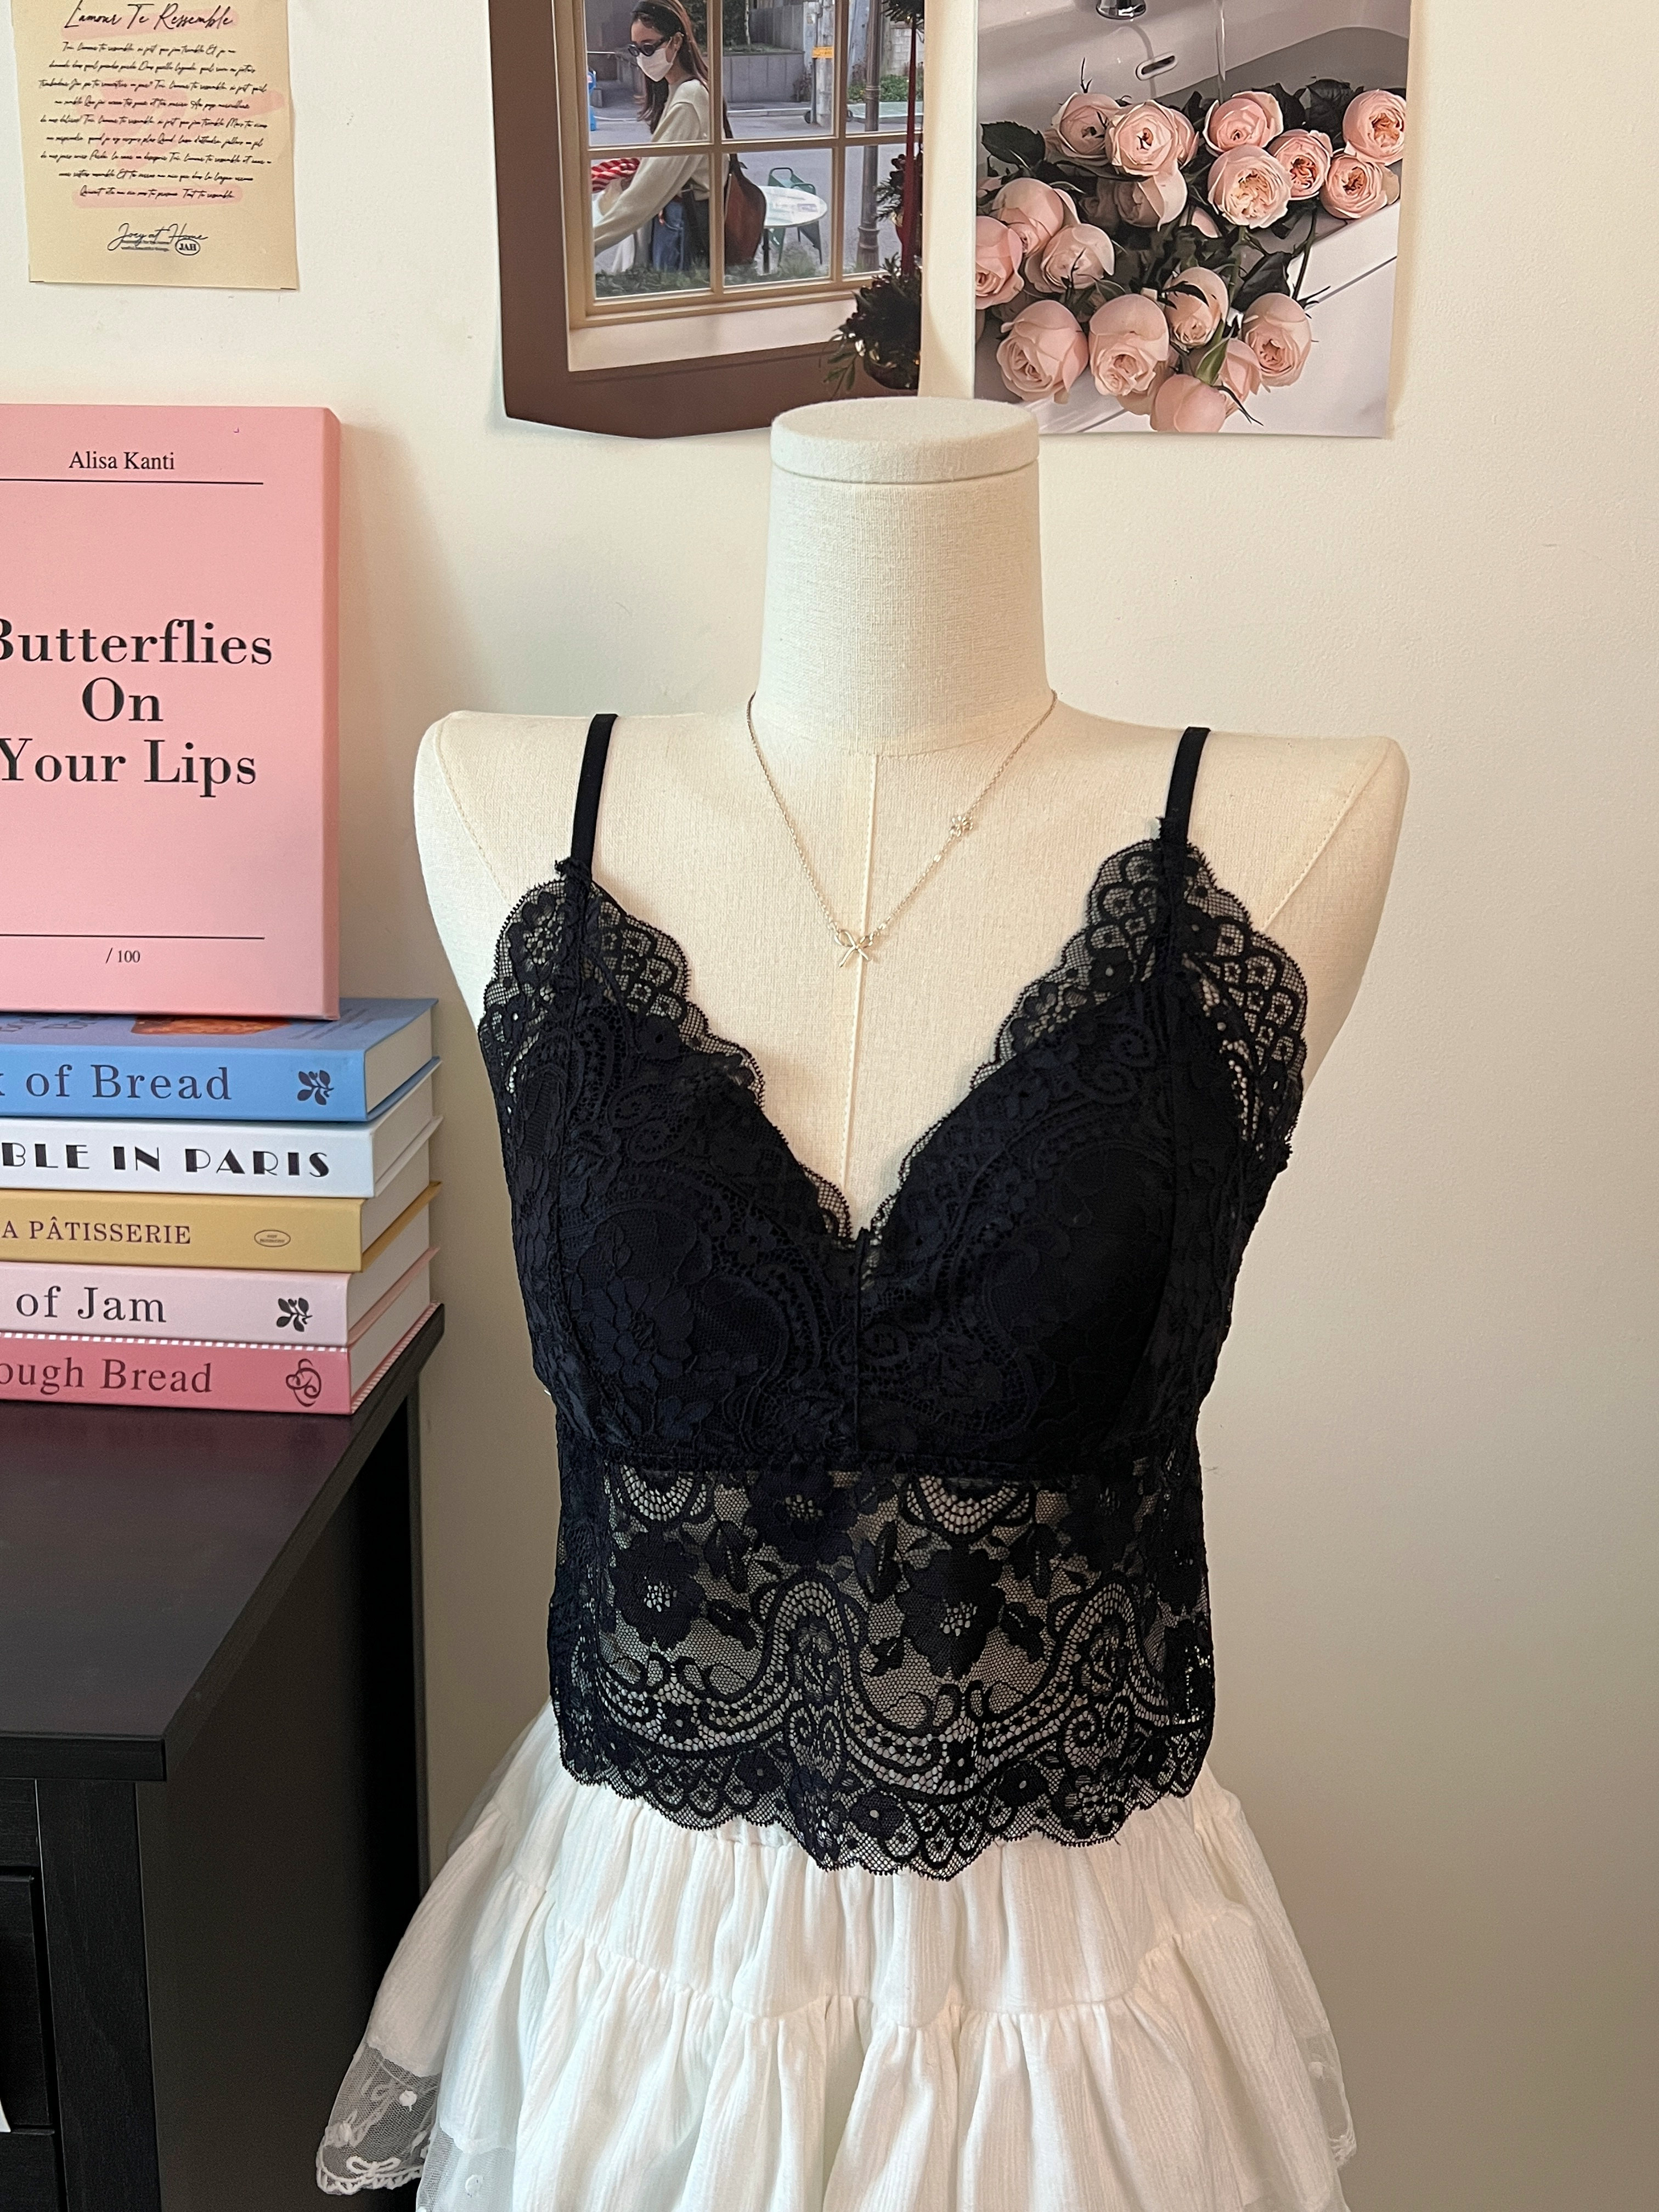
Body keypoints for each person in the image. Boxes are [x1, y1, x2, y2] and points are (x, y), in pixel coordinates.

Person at [591, 1, 716, 279]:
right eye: (636, 49)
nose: (642, 58)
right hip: (681, 220)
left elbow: (647, 191)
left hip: (683, 227)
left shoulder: (688, 98)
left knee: (669, 298)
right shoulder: (680, 90)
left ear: (676, 42)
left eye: (648, 47)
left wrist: (588, 243)